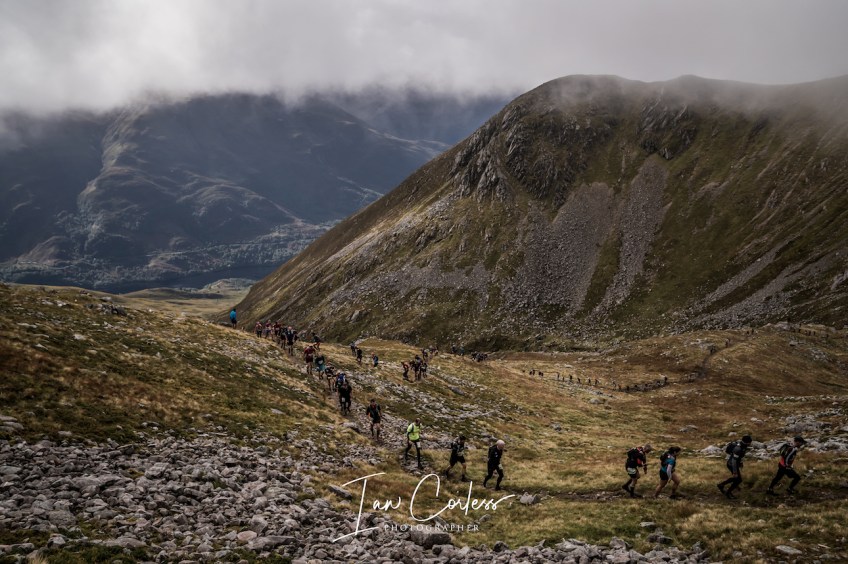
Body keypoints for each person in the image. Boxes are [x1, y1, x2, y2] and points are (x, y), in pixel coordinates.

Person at [718, 435, 753, 499]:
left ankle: (721, 485)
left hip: (733, 464)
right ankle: (728, 492)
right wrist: (735, 472)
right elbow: (734, 461)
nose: (751, 443)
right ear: (747, 442)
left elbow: (741, 456)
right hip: (732, 465)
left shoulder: (743, 446)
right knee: (738, 479)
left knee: (736, 479)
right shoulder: (738, 449)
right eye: (750, 442)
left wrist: (741, 463)